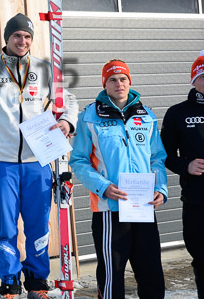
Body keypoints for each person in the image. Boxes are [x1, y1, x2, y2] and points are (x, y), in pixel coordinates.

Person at [0, 13, 78, 299]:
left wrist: (66, 121)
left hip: (37, 161)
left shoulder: (44, 68)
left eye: (27, 37)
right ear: (7, 38)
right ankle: (10, 283)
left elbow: (70, 100)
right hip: (1, 163)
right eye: (17, 36)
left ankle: (38, 283)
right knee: (6, 227)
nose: (22, 41)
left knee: (38, 225)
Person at [69, 59, 167, 299]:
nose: (118, 83)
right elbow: (78, 161)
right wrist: (103, 187)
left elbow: (157, 157)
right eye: (112, 79)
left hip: (143, 206)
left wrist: (160, 188)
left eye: (123, 78)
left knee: (151, 272)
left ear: (129, 81)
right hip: (109, 208)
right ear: (105, 83)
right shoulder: (90, 116)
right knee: (112, 276)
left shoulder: (146, 115)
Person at [161, 50, 204, 299]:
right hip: (197, 202)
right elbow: (163, 155)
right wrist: (186, 165)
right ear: (194, 79)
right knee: (201, 257)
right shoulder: (178, 113)